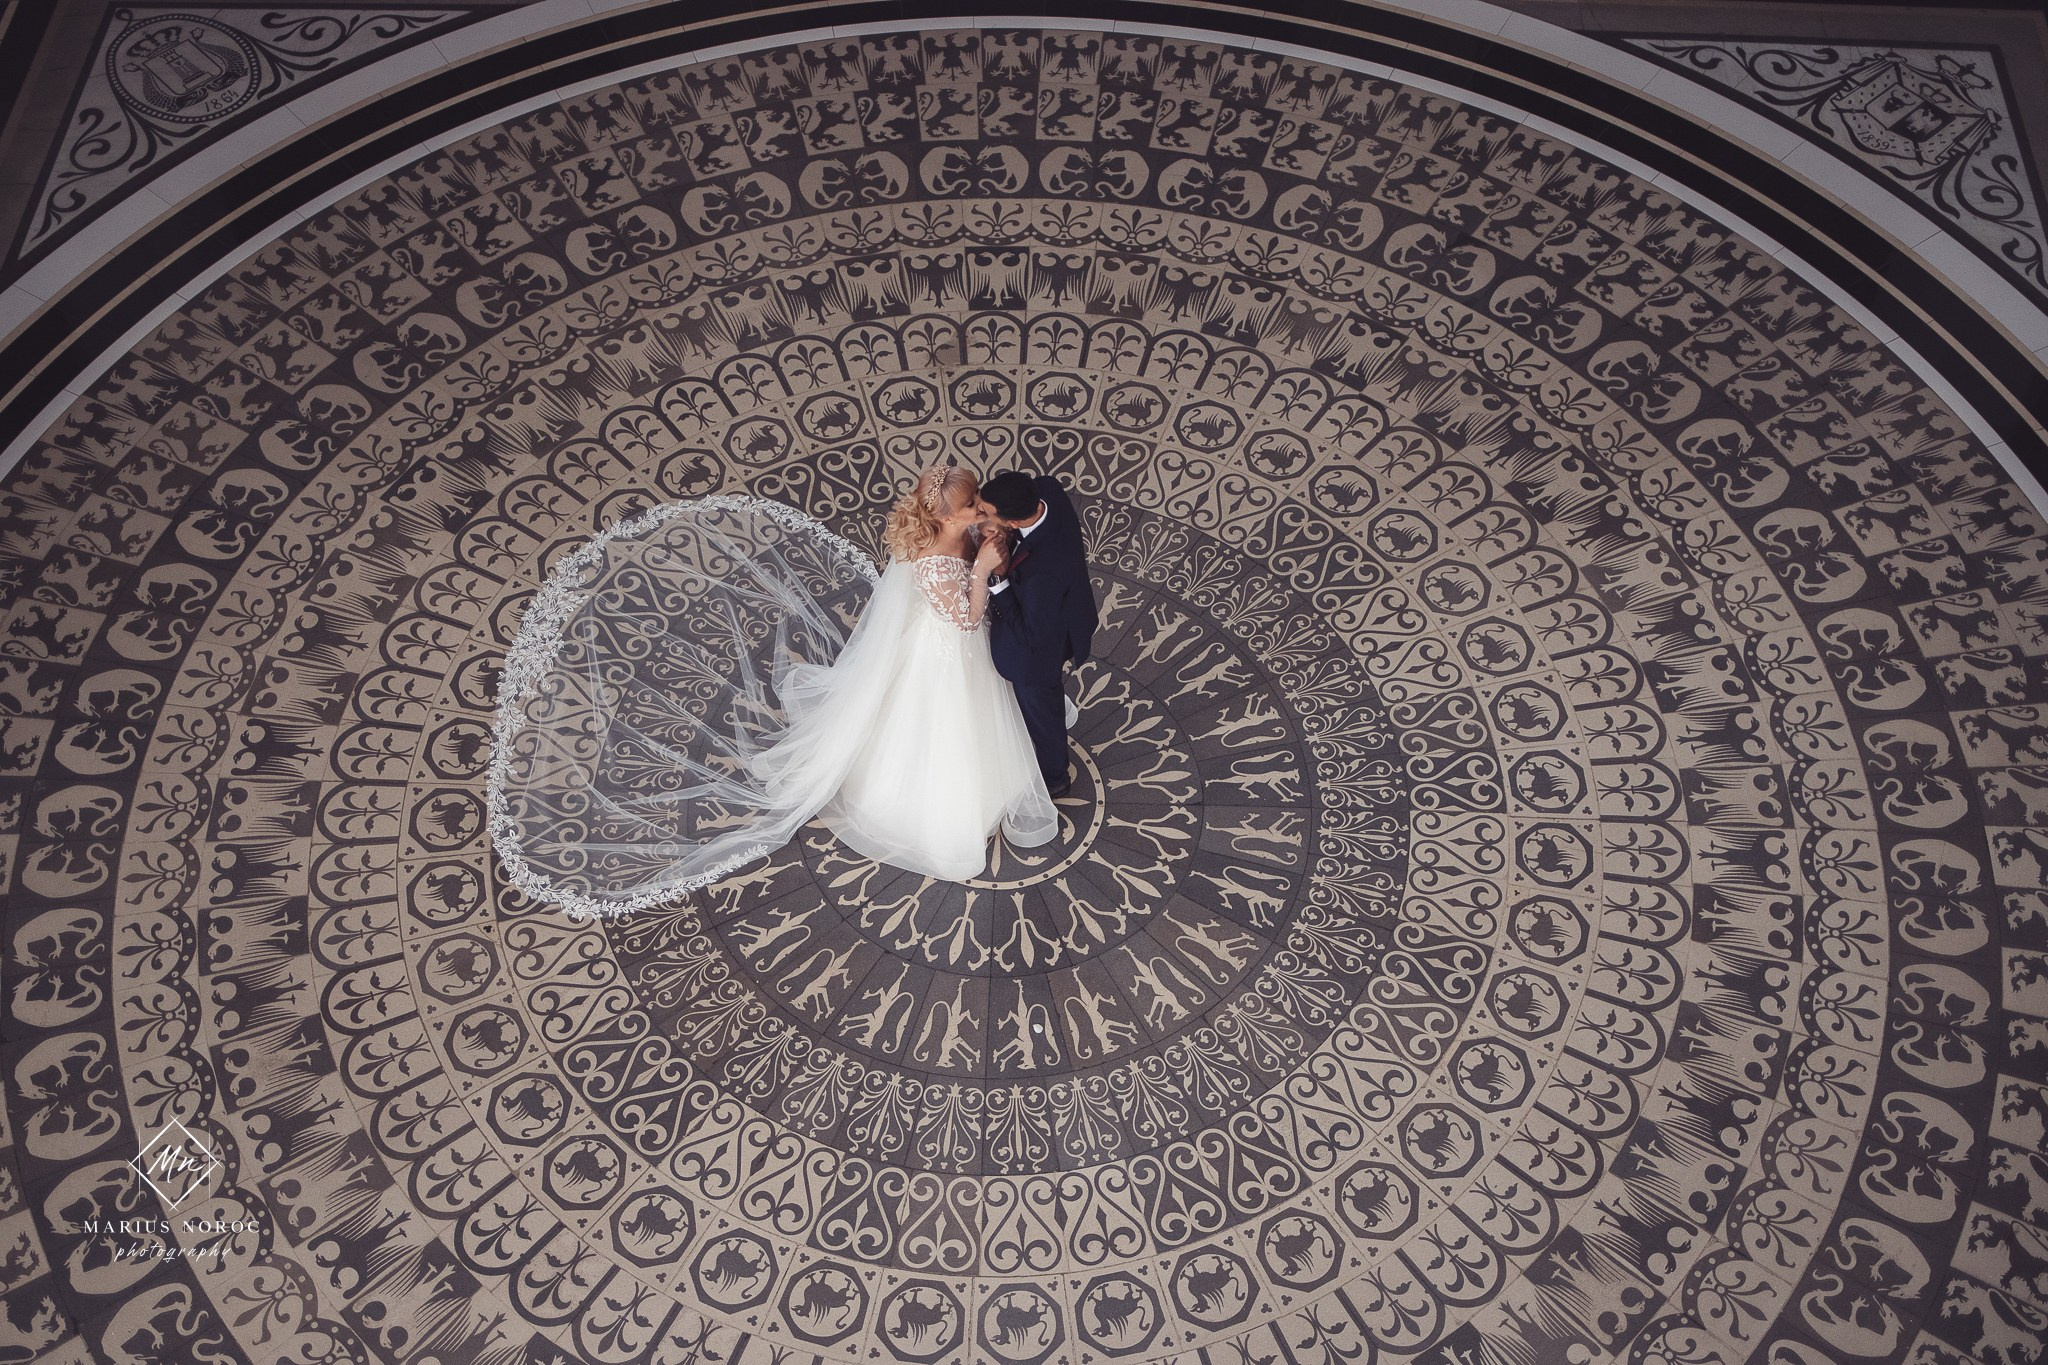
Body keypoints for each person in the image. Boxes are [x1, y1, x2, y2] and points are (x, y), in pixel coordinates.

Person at [749, 464, 1059, 879]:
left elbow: (977, 557)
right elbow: (966, 621)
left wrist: (986, 541)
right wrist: (983, 570)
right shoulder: (931, 565)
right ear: (949, 517)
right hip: (950, 652)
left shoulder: (962, 529)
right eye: (972, 505)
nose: (981, 506)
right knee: (954, 728)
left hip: (968, 641)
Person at [977, 469, 1100, 797]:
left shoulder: (1043, 574)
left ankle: (1056, 778)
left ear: (1012, 523)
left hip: (1036, 654)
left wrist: (999, 579)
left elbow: (1032, 634)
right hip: (1066, 605)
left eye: (988, 513)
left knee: (1043, 716)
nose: (981, 514)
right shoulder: (1047, 489)